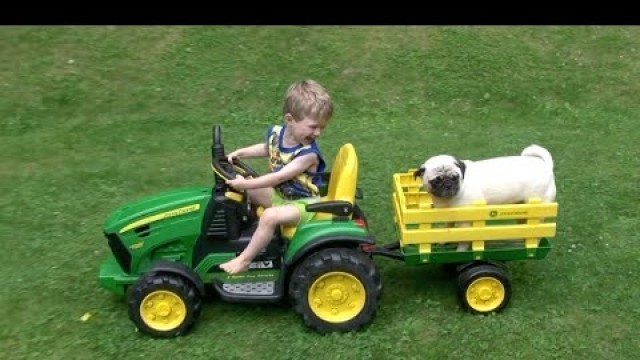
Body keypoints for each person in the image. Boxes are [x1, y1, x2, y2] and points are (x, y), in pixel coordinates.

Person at [219, 79, 333, 274]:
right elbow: (268, 148)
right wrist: (241, 153)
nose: (318, 132)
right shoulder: (279, 135)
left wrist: (247, 185)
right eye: (313, 126)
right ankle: (247, 231)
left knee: (269, 216)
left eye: (321, 127)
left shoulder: (308, 154)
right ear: (290, 120)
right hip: (282, 197)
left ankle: (244, 260)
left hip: (304, 205)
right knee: (242, 188)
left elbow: (278, 178)